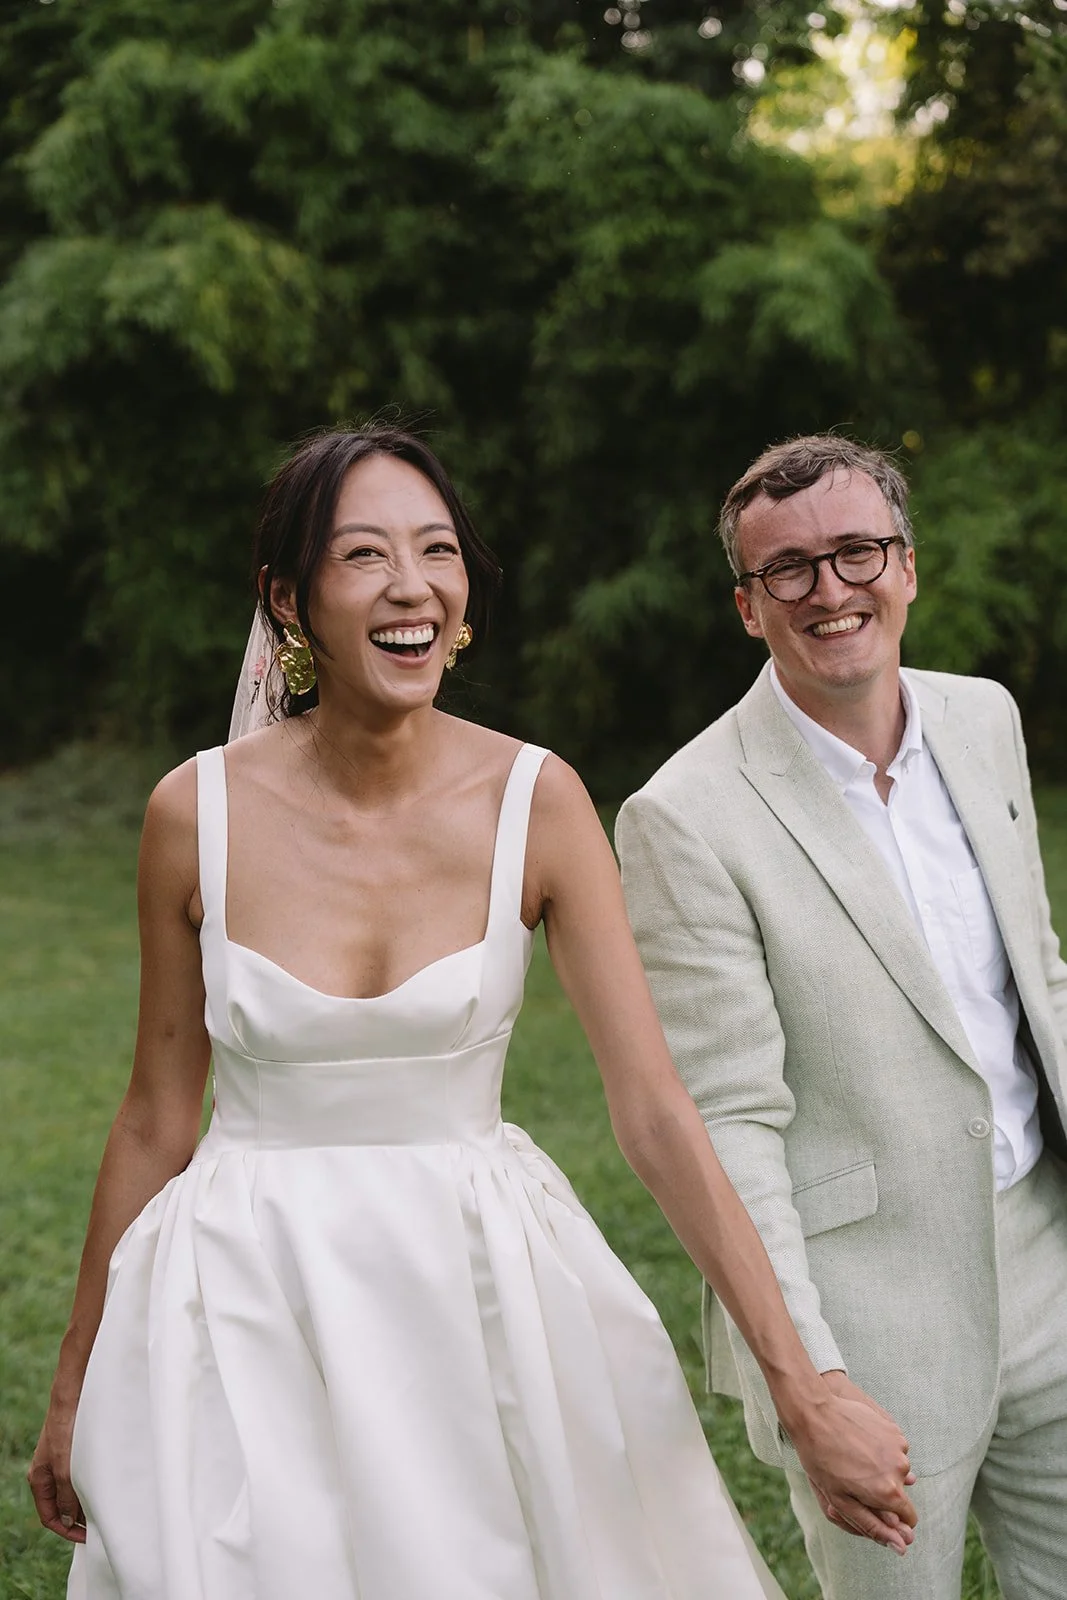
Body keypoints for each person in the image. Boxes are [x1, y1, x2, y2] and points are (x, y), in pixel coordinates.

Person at [30, 426, 915, 1600]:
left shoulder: (537, 801)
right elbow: (153, 1115)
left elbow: (653, 1110)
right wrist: (74, 1385)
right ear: (288, 600)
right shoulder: (193, 814)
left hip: (480, 1295)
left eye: (437, 550)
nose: (412, 585)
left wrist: (798, 1382)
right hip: (240, 1302)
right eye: (363, 555)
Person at [616, 434, 1067, 1600]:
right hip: (867, 1319)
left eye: (855, 551)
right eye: (789, 570)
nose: (830, 590)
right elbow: (726, 1126)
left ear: (905, 567)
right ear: (745, 605)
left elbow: (1036, 980)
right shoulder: (682, 816)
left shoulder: (981, 720)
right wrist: (807, 1380)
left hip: (1047, 1259)